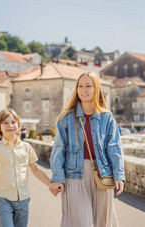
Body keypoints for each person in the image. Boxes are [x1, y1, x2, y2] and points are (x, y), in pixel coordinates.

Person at [49, 72, 125, 227]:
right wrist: (57, 177)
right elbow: (59, 148)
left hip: (102, 174)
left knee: (102, 223)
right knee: (80, 223)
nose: (84, 90)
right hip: (74, 175)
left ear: (96, 88)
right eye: (80, 86)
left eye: (88, 86)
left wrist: (119, 174)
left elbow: (114, 147)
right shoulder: (67, 118)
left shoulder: (107, 117)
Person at [0, 108, 51, 227]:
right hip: (3, 199)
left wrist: (50, 184)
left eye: (13, 122)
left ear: (18, 125)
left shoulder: (26, 147)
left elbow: (35, 169)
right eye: (5, 123)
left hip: (23, 200)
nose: (10, 125)